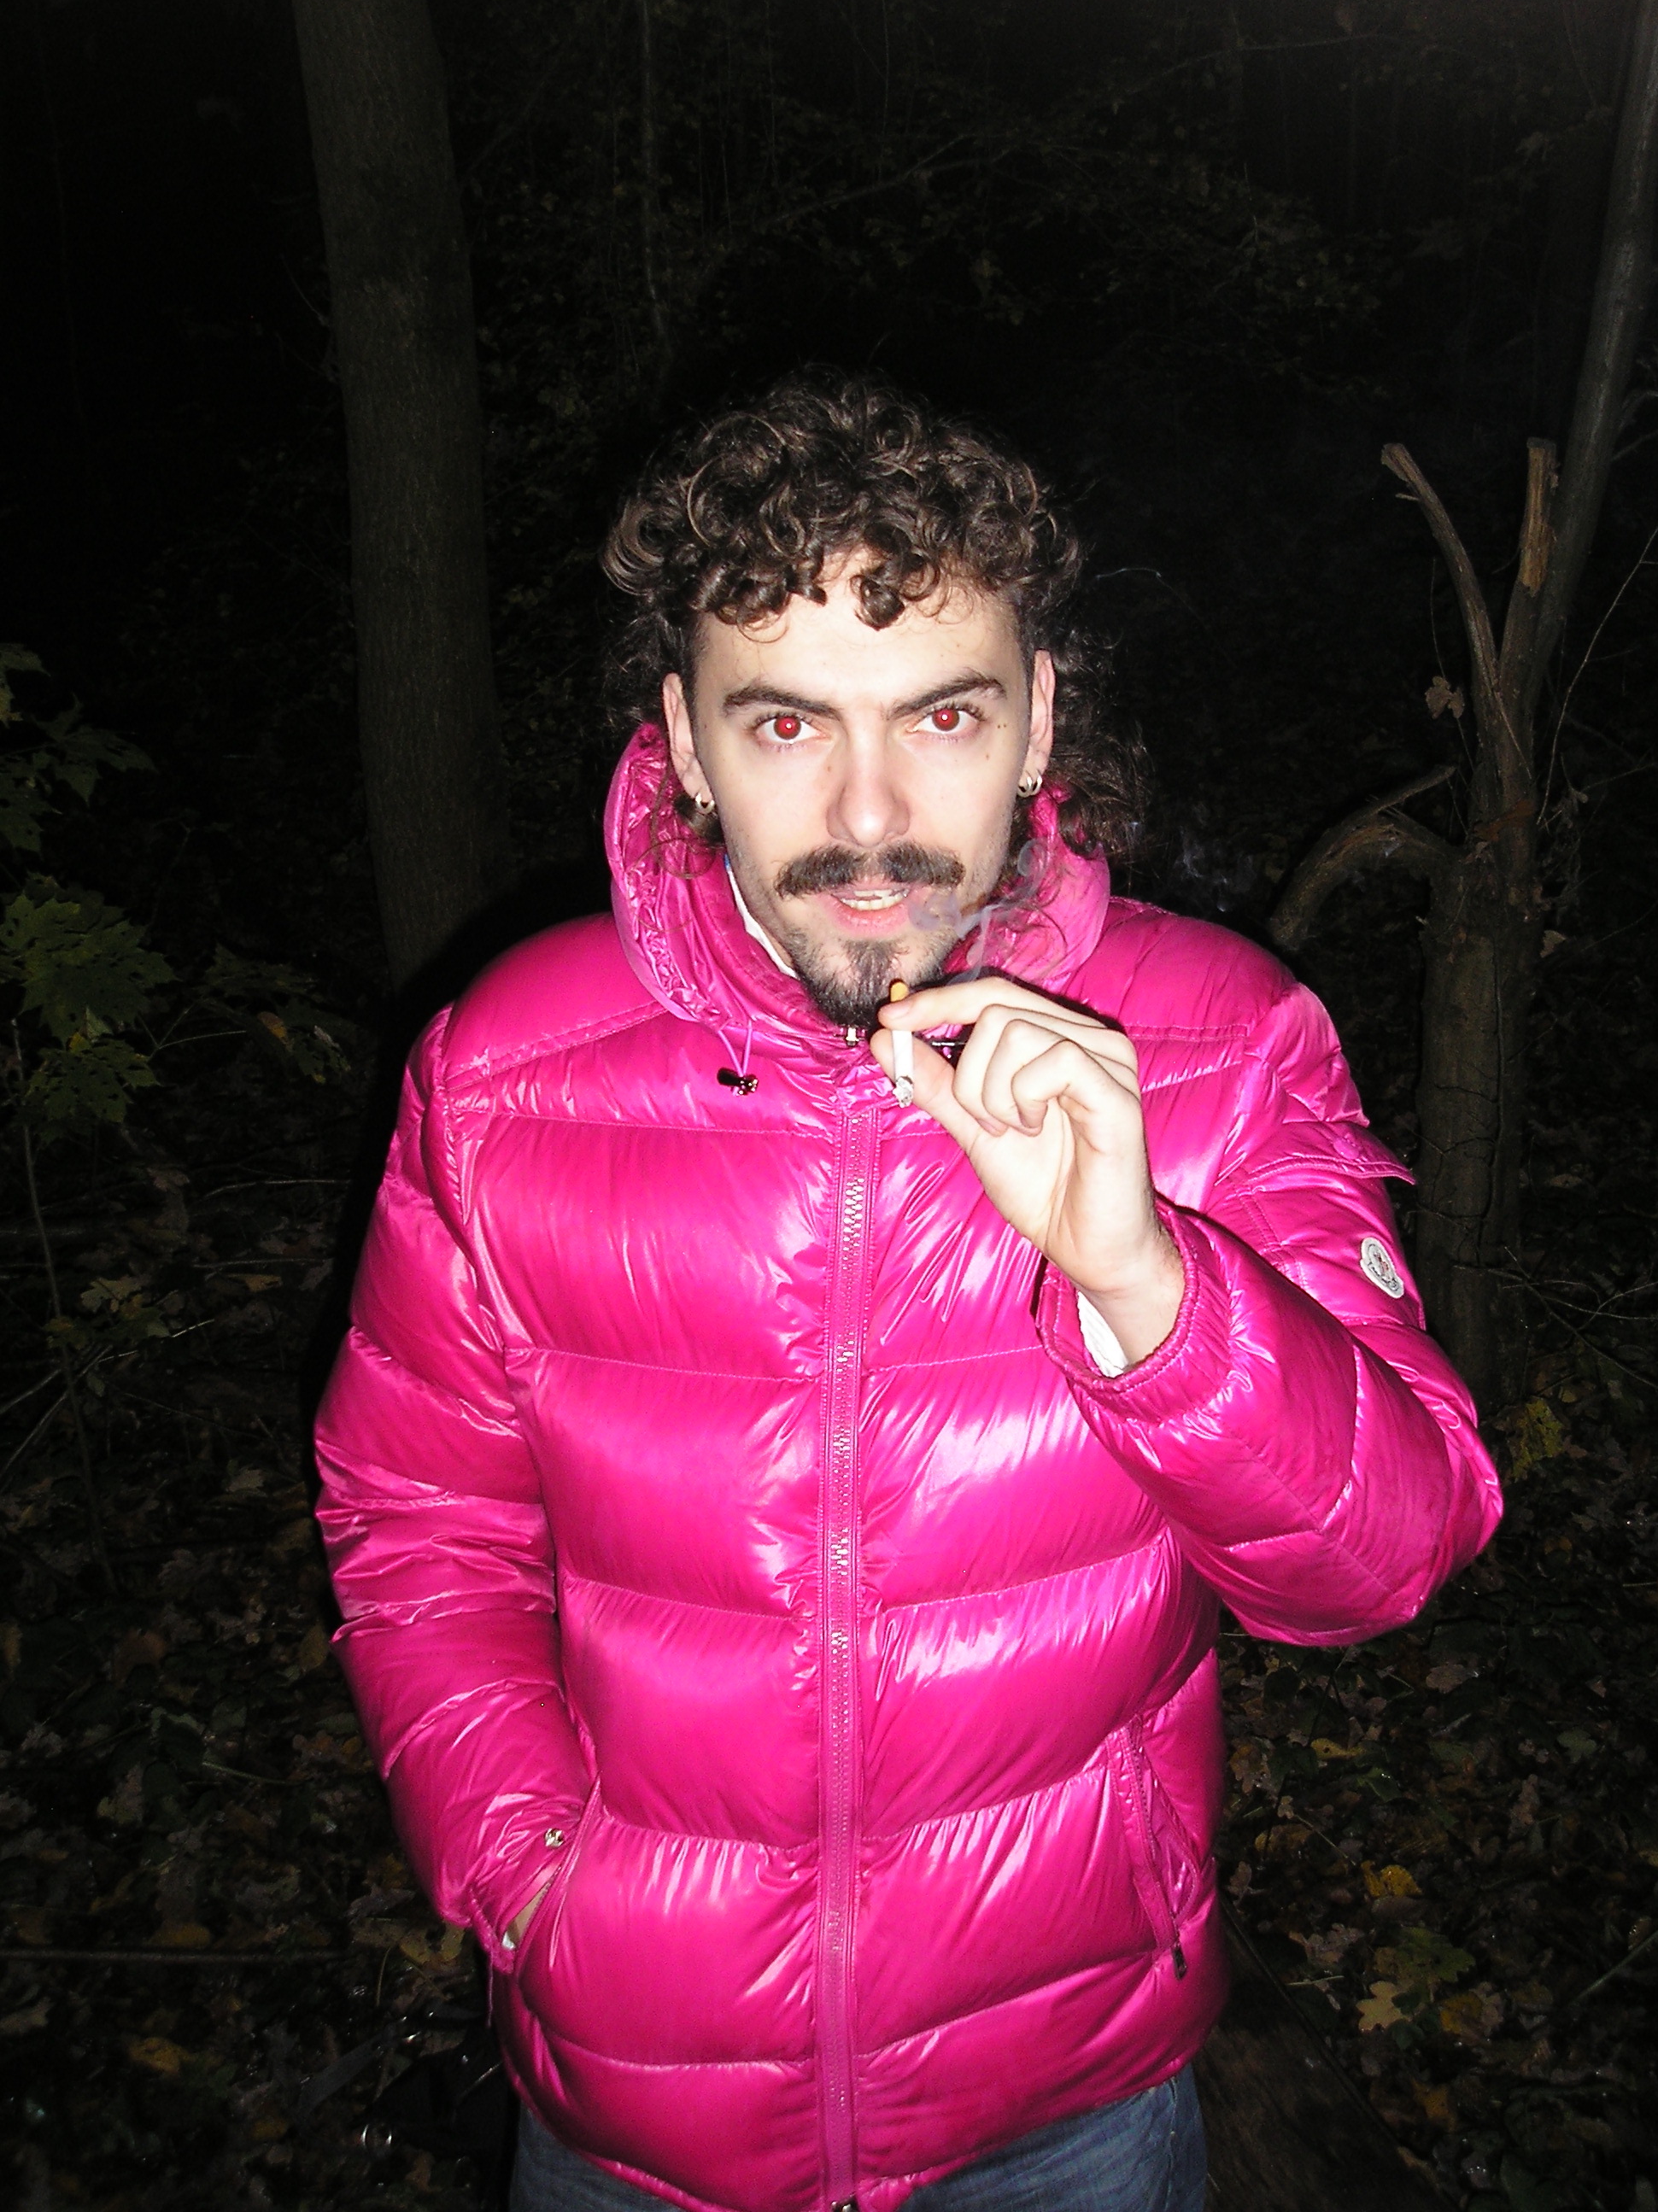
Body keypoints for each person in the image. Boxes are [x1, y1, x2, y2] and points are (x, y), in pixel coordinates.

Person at [313, 370, 1503, 2212]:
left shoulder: (1221, 1047)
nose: (869, 815)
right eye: (787, 722)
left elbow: (1385, 1560)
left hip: (1071, 2107)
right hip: (639, 2117)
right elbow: (417, 1520)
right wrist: (528, 1876)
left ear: (1040, 720)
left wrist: (1146, 1281)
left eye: (942, 714)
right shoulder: (501, 1078)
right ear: (683, 740)